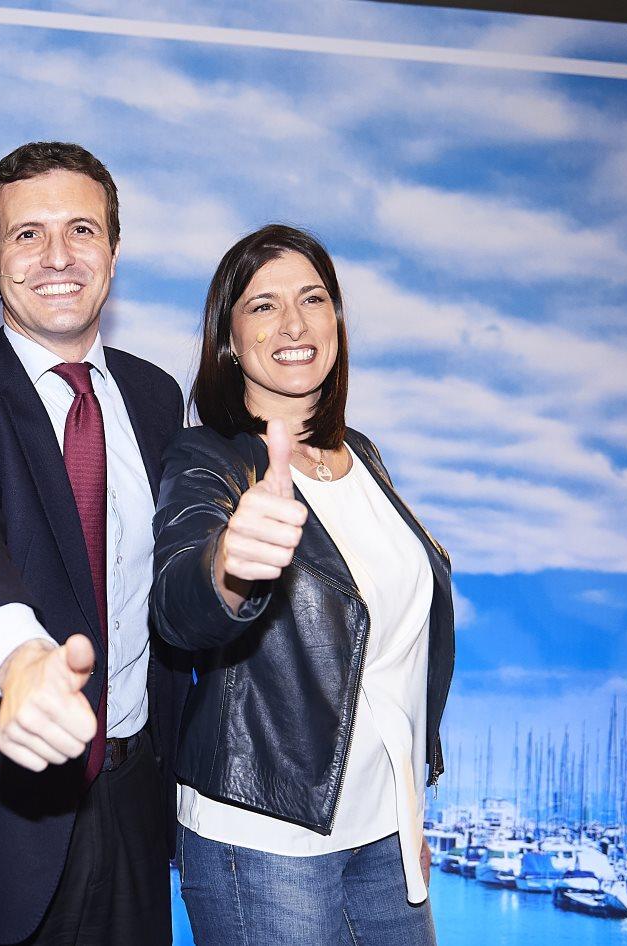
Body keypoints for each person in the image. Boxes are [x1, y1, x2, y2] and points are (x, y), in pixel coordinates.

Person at [0, 141, 186, 946]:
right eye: (27, 235)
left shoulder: (159, 398)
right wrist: (21, 658)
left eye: (82, 230)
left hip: (131, 814)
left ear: (114, 254)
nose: (57, 256)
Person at [152, 224, 455, 946]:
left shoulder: (365, 457)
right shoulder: (211, 457)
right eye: (262, 306)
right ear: (229, 338)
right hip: (262, 837)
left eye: (313, 299)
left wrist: (408, 806)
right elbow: (177, 604)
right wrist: (229, 566)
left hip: (383, 832)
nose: (293, 323)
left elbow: (392, 656)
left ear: (337, 323)